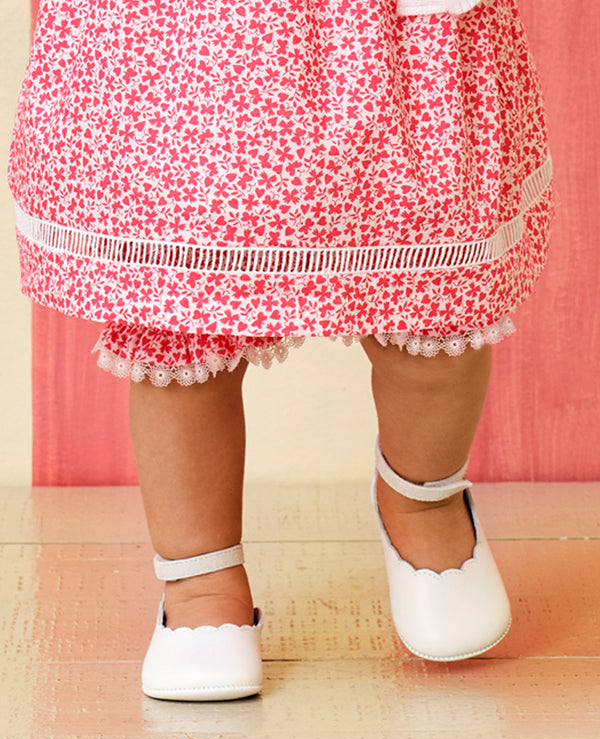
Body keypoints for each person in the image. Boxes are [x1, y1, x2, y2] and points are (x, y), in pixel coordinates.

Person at [8, 0, 553, 700]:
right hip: (185, 48)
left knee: (434, 302)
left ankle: (424, 498)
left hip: (387, 45)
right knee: (180, 315)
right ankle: (199, 579)